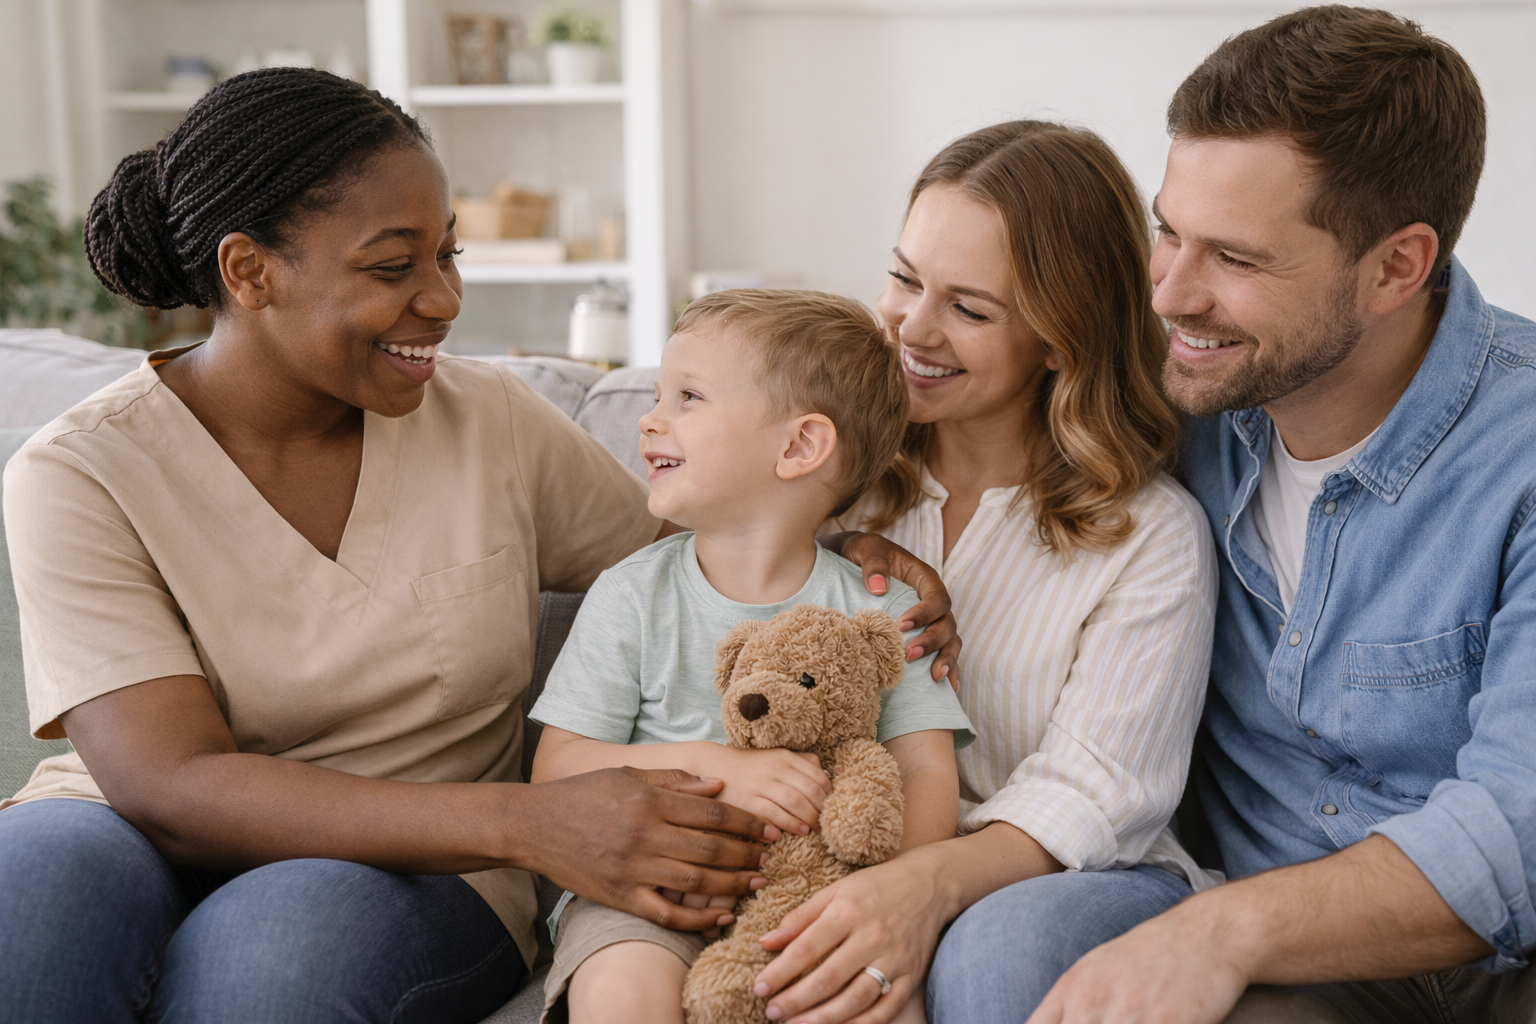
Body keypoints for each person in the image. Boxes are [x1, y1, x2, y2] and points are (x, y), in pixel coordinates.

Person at [0, 69, 957, 1024]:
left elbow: (700, 545)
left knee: (279, 951)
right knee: (28, 899)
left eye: (448, 255)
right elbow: (167, 782)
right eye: (392, 267)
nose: (445, 299)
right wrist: (534, 822)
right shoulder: (79, 471)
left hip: (422, 868)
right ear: (249, 271)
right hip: (126, 826)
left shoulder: (490, 422)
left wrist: (845, 543)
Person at [1028, 7, 1536, 1024]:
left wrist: (1215, 932)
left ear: (1397, 265)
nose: (1171, 293)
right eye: (1166, 229)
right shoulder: (1173, 398)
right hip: (1303, 974)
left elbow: (1518, 826)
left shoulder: (1519, 449)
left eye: (1236, 260)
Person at [745, 121, 1220, 1024]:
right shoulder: (826, 481)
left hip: (1077, 878)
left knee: (996, 945)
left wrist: (920, 892)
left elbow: (1092, 796)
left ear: (1058, 337)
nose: (912, 328)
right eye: (904, 278)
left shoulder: (1149, 535)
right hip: (846, 857)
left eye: (969, 308)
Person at [527, 289, 975, 1023]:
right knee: (621, 993)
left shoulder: (884, 609)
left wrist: (876, 890)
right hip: (650, 898)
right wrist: (717, 767)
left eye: (689, 396)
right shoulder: (631, 595)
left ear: (799, 447)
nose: (650, 418)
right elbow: (559, 767)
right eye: (659, 394)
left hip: (813, 894)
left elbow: (926, 770)